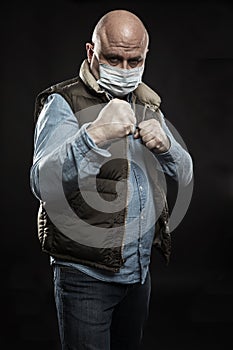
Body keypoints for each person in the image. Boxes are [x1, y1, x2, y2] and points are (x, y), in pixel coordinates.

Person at [30, 9, 193, 350]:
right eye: (113, 58)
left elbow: (186, 172)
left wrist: (166, 147)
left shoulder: (147, 104)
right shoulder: (63, 102)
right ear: (92, 53)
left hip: (139, 272)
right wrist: (95, 135)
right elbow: (43, 183)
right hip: (85, 276)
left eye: (134, 61)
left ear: (145, 57)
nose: (124, 70)